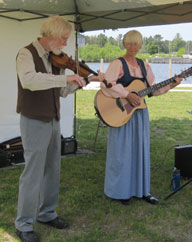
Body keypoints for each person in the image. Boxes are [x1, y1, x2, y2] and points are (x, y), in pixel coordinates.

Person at [15, 16, 104, 242]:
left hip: (53, 119)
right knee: (33, 173)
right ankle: (24, 224)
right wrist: (66, 79)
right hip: (34, 119)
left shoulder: (56, 59)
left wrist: (79, 82)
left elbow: (61, 92)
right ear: (52, 35)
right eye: (64, 39)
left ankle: (47, 213)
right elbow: (30, 81)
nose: (65, 44)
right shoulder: (26, 54)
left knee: (52, 170)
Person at [100, 30, 182, 206]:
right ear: (124, 44)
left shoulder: (145, 66)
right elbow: (106, 85)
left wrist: (172, 85)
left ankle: (142, 190)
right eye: (129, 43)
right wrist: (127, 94)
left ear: (140, 45)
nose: (132, 47)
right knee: (122, 152)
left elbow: (152, 90)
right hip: (121, 114)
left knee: (140, 150)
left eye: (136, 43)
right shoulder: (117, 64)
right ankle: (121, 191)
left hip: (140, 114)